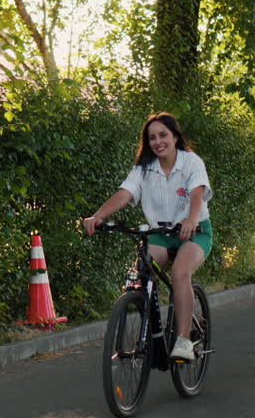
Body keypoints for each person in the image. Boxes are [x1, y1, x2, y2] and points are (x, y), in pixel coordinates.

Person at [83, 112, 213, 361]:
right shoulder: (144, 169)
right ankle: (150, 334)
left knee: (179, 273)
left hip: (194, 232)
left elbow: (197, 195)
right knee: (140, 275)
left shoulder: (191, 162)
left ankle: (184, 340)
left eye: (163, 135)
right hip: (160, 234)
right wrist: (97, 216)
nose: (158, 141)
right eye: (152, 137)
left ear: (175, 137)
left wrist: (191, 219)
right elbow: (124, 194)